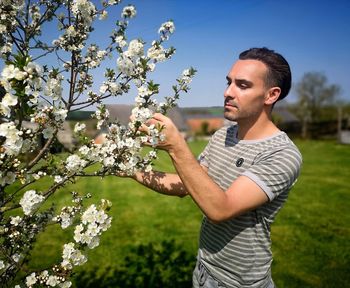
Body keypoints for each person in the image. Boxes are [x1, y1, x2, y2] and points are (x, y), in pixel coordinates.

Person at [128, 47, 302, 288]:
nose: (227, 92)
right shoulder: (223, 135)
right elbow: (186, 184)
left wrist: (176, 146)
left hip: (239, 282)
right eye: (229, 82)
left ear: (271, 95)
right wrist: (129, 169)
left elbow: (220, 209)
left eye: (242, 85)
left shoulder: (282, 154)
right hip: (203, 269)